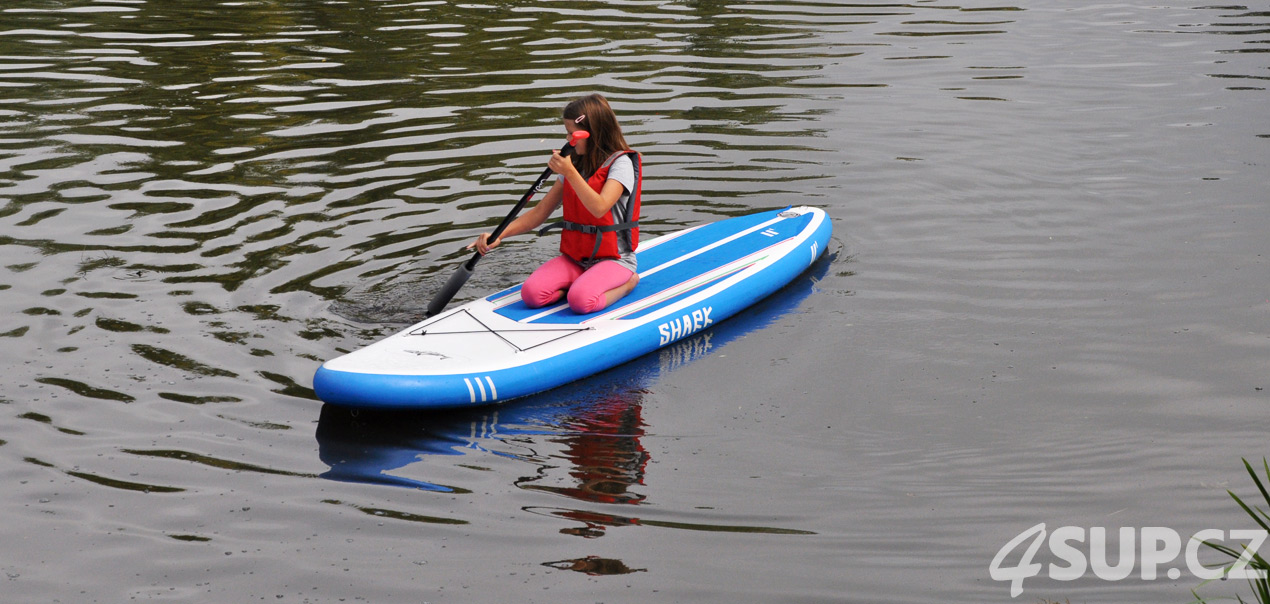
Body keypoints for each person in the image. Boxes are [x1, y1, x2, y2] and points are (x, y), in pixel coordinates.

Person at [469, 94, 642, 314]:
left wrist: (569, 172)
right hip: (577, 260)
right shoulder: (574, 166)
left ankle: (628, 283)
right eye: (567, 133)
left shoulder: (621, 164)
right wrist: (499, 235)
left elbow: (600, 207)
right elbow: (540, 213)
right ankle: (578, 285)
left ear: (593, 133)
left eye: (572, 134)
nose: (569, 140)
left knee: (581, 302)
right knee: (532, 294)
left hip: (615, 259)